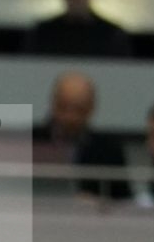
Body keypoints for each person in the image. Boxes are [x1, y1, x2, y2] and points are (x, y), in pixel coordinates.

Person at [32, 71, 129, 199]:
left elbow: (124, 202)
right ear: (53, 103)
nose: (70, 116)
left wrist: (97, 203)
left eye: (79, 109)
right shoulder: (30, 141)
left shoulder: (109, 150)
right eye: (64, 107)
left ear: (92, 108)